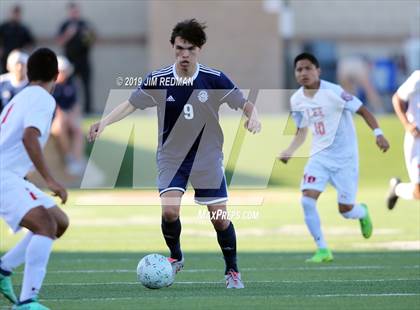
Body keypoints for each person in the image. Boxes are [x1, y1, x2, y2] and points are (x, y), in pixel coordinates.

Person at [88, 19, 261, 288]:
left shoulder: (214, 79)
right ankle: (176, 256)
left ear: (199, 49)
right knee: (170, 211)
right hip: (172, 157)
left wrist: (254, 118)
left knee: (219, 219)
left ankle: (232, 271)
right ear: (173, 47)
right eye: (179, 48)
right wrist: (105, 122)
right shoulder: (158, 80)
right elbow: (130, 104)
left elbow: (246, 104)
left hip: (206, 158)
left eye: (190, 49)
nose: (184, 55)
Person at [279, 52, 389, 263]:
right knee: (307, 200)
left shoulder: (335, 92)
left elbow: (363, 110)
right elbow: (301, 131)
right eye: (299, 69)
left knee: (346, 210)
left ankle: (362, 212)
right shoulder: (296, 100)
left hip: (345, 159)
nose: (303, 73)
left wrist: (379, 134)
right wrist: (290, 150)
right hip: (319, 158)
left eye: (308, 68)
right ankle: (322, 249)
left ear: (318, 71)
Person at [0, 48, 69, 309]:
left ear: (29, 73)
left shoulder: (22, 96)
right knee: (45, 226)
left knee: (59, 222)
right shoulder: (43, 98)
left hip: (10, 176)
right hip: (4, 176)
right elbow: (30, 136)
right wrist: (50, 180)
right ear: (56, 74)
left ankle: (4, 268)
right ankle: (27, 301)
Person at [387, 70, 420, 209]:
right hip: (417, 139)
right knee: (419, 192)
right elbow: (397, 98)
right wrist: (407, 124)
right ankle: (397, 189)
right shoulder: (418, 78)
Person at [57, 2, 95, 114]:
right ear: (69, 12)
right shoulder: (65, 25)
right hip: (69, 62)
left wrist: (88, 36)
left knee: (86, 86)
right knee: (68, 86)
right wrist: (69, 34)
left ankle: (88, 110)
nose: (75, 13)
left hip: (83, 60)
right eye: (72, 11)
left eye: (76, 11)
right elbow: (60, 41)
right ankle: (68, 108)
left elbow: (92, 40)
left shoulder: (85, 24)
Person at [51, 55, 85, 176]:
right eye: (61, 70)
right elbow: (54, 107)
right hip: (53, 121)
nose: (63, 73)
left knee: (78, 129)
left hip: (67, 117)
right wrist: (63, 116)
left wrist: (73, 117)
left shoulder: (71, 83)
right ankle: (68, 157)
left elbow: (75, 105)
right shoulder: (51, 85)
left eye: (65, 70)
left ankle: (77, 159)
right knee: (60, 126)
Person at [0, 5, 35, 74]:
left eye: (18, 14)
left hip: (19, 58)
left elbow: (30, 43)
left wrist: (24, 52)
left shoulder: (23, 29)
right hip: (5, 57)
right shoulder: (3, 27)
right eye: (14, 13)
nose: (16, 16)